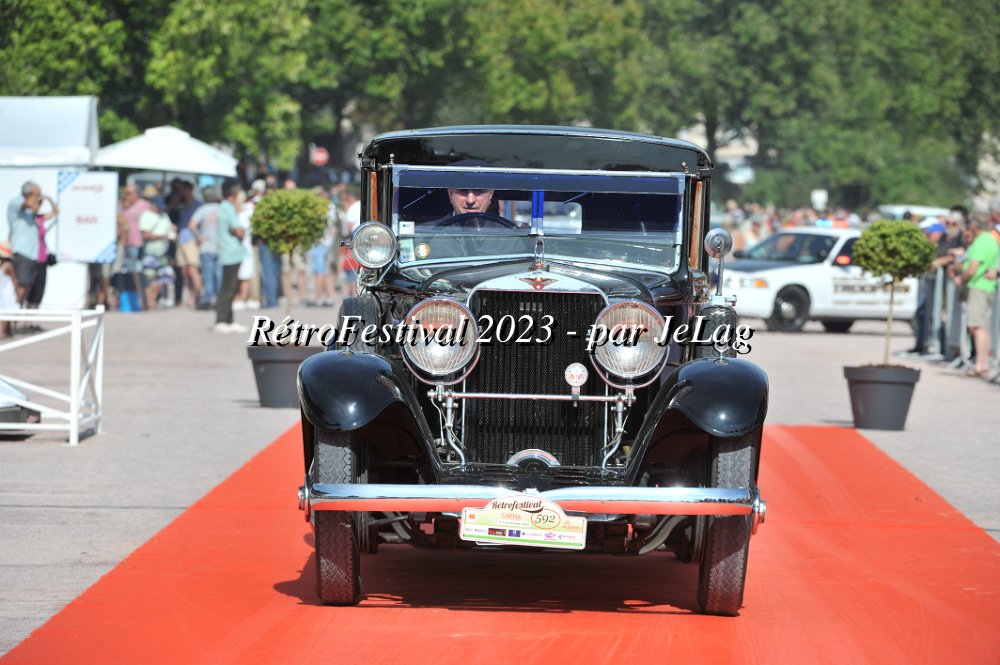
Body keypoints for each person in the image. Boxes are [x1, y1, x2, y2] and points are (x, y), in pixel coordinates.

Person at [953, 215, 1000, 378]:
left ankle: (981, 365)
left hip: (979, 287)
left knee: (976, 327)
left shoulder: (982, 241)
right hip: (986, 287)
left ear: (974, 227)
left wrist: (961, 278)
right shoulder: (991, 240)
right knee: (982, 327)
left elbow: (973, 268)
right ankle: (982, 364)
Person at [6, 182, 58, 326]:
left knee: (29, 289)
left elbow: (53, 211)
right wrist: (37, 198)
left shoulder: (31, 215)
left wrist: (47, 199)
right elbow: (28, 204)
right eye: (37, 193)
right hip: (22, 253)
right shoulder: (16, 202)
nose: (39, 197)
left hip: (32, 255)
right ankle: (10, 321)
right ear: (30, 193)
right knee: (21, 287)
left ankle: (18, 321)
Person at [214, 179, 248, 333]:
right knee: (228, 288)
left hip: (232, 252)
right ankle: (221, 320)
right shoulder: (227, 207)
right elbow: (238, 230)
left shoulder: (225, 207)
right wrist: (242, 231)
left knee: (231, 288)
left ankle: (229, 320)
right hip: (230, 252)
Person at [139, 195, 177, 310]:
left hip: (163, 253)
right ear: (152, 205)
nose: (159, 209)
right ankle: (150, 302)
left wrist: (173, 232)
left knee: (166, 277)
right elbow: (144, 234)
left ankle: (153, 298)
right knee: (149, 278)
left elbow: (170, 230)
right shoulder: (146, 216)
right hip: (150, 252)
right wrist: (160, 236)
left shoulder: (164, 216)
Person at [172, 180, 203, 307]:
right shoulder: (182, 205)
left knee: (193, 269)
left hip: (192, 241)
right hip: (182, 240)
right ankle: (191, 295)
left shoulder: (198, 205)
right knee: (184, 271)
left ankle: (199, 295)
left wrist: (198, 237)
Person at [189, 186, 221, 309]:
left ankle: (208, 299)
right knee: (219, 274)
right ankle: (220, 299)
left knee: (208, 275)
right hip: (221, 246)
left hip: (206, 247)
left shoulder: (202, 209)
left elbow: (192, 225)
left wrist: (198, 236)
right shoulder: (222, 208)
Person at [0, 242, 17, 337]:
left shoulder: (8, 266)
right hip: (3, 292)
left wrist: (17, 293)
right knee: (5, 313)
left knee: (5, 314)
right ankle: (7, 332)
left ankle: (4, 332)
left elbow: (15, 280)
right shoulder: (3, 265)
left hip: (7, 293)